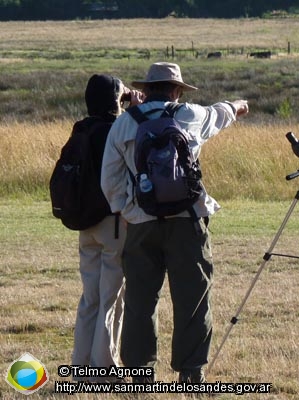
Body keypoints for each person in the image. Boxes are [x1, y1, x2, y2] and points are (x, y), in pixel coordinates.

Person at [101, 62, 249, 383]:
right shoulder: (191, 116)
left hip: (141, 223)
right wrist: (239, 105)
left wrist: (129, 212)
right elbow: (220, 113)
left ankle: (140, 373)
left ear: (148, 88)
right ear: (177, 90)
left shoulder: (124, 125)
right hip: (188, 220)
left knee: (140, 300)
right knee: (193, 297)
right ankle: (191, 372)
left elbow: (110, 180)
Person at [71, 74, 144, 380]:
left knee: (90, 297)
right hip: (112, 223)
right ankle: (105, 367)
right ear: (115, 100)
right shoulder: (118, 129)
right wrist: (135, 108)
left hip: (84, 224)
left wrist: (123, 97)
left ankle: (80, 365)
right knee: (112, 297)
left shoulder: (81, 129)